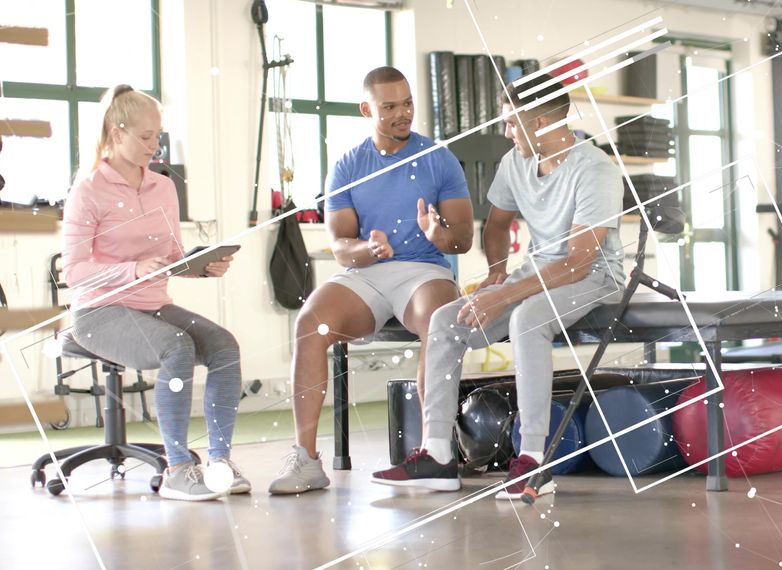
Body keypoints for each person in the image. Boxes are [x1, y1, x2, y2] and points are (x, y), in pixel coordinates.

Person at [372, 73, 626, 499]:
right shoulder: (516, 163)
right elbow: (496, 224)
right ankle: (437, 453)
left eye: (512, 122)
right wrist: (496, 272)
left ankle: (532, 461)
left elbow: (580, 261)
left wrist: (505, 295)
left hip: (597, 276)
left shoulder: (596, 171)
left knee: (527, 318)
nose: (506, 131)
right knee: (445, 320)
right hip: (539, 270)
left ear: (542, 122)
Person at [268, 67, 474, 494]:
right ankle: (306, 460)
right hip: (365, 274)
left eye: (408, 103)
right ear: (367, 109)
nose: (403, 114)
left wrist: (439, 235)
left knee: (438, 320)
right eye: (390, 107)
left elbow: (463, 240)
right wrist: (369, 249)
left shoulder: (439, 158)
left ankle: (435, 454)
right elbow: (341, 247)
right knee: (309, 323)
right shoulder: (347, 166)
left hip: (424, 271)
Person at [63, 85, 248, 502]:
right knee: (177, 347)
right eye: (145, 136)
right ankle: (178, 468)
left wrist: (201, 267)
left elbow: (169, 256)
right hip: (98, 313)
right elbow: (75, 272)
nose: (154, 144)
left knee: (223, 346)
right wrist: (131, 269)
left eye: (157, 135)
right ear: (116, 133)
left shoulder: (163, 188)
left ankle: (218, 463)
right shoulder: (88, 191)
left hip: (152, 305)